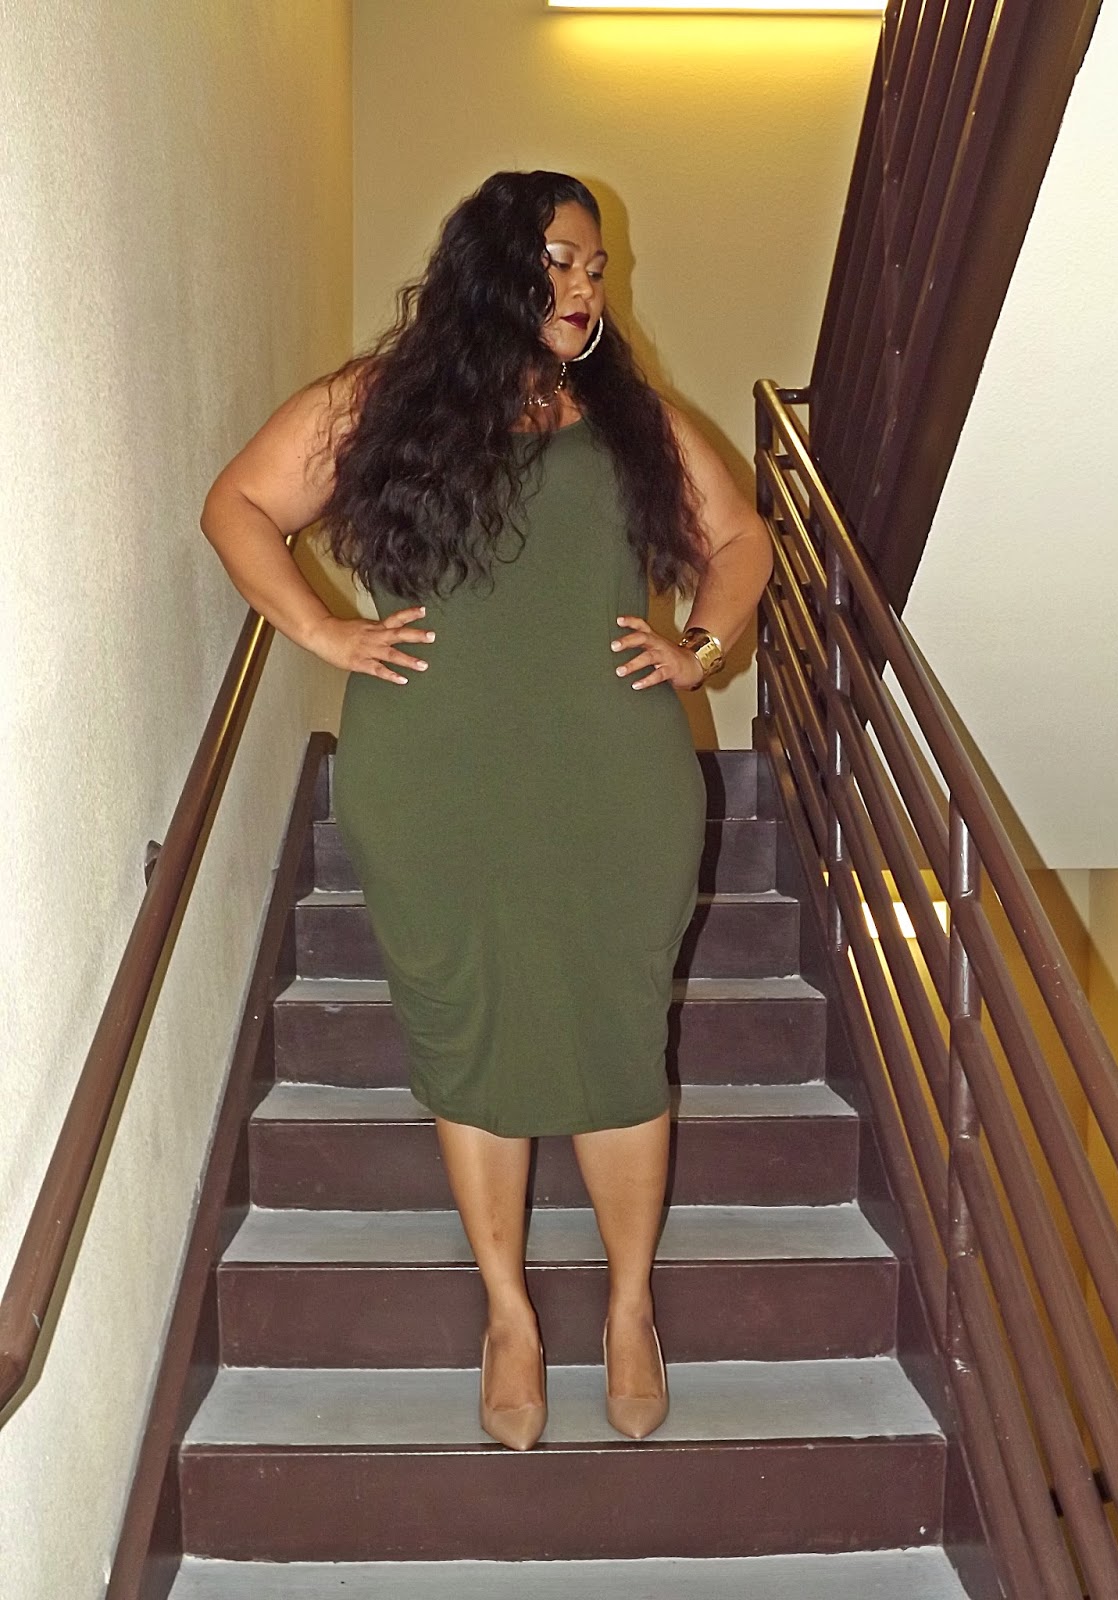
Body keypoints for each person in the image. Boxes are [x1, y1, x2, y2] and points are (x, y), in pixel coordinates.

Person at [200, 169, 772, 1452]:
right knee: (470, 1033)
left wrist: (703, 646)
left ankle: (629, 1308)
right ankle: (508, 1313)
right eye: (562, 260)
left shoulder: (629, 417)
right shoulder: (379, 401)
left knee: (620, 1037)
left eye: (597, 267)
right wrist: (322, 631)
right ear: (492, 267)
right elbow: (237, 506)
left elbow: (743, 541)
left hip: (615, 776)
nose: (585, 287)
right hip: (437, 775)